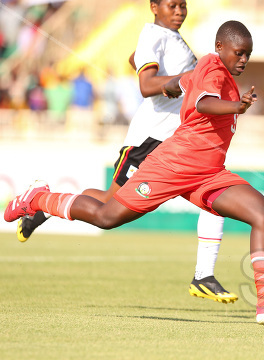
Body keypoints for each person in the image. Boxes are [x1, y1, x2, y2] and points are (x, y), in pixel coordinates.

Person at [5, 20, 264, 326]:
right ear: (220, 48)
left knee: (263, 214)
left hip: (208, 174)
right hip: (173, 165)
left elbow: (180, 86)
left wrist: (172, 86)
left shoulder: (219, 75)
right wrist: (235, 106)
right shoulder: (211, 66)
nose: (244, 59)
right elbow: (203, 103)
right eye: (239, 52)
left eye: (248, 54)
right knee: (107, 216)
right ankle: (39, 199)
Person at [16, 0, 238, 305]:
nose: (179, 11)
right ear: (154, 7)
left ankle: (203, 275)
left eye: (183, 5)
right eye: (172, 6)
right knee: (110, 205)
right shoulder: (154, 34)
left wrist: (173, 80)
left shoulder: (170, 39)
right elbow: (146, 84)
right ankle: (43, 204)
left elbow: (135, 59)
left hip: (177, 141)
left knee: (212, 193)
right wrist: (179, 82)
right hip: (150, 138)